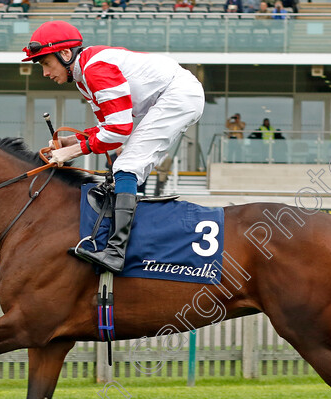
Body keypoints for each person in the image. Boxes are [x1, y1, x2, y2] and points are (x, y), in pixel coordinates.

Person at [23, 20, 205, 273]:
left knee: (127, 165)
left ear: (65, 54)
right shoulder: (83, 76)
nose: (44, 72)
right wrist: (71, 141)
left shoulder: (94, 70)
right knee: (125, 164)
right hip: (171, 95)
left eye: (45, 63)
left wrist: (71, 152)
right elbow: (108, 127)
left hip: (178, 95)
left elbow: (118, 132)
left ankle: (116, 252)